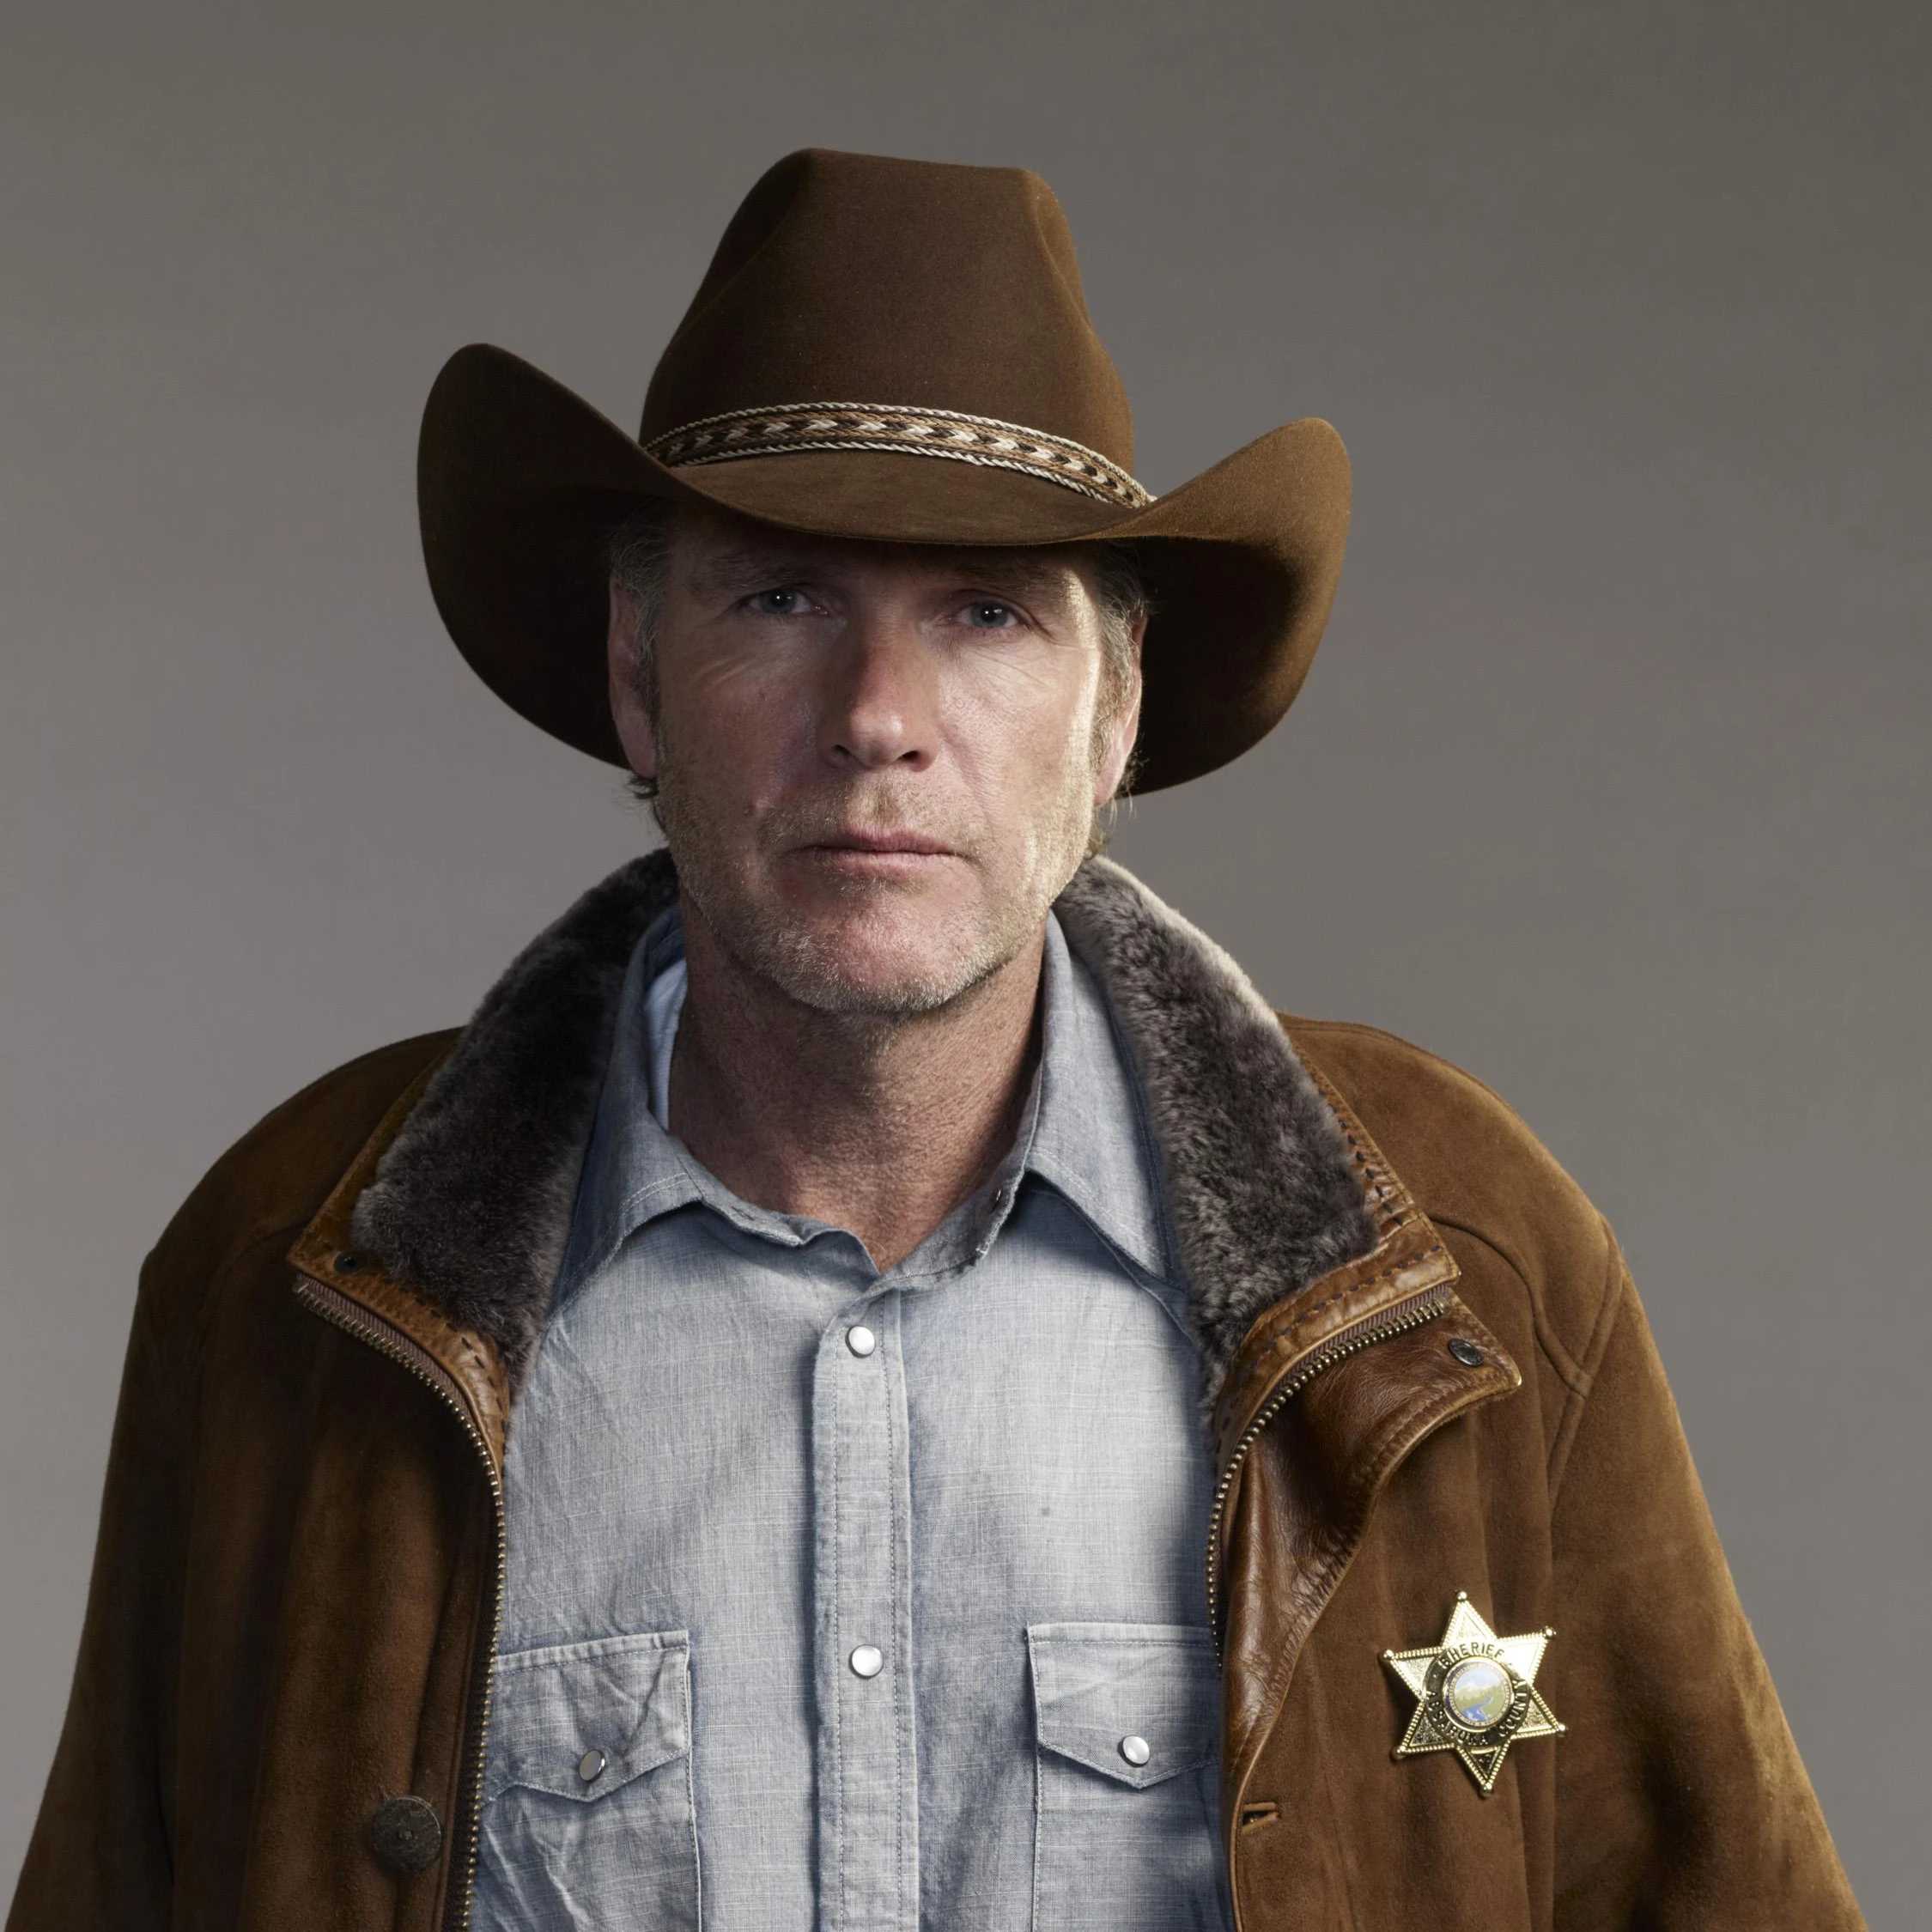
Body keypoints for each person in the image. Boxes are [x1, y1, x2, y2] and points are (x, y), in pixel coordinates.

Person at [8, 149, 1863, 1932]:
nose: (879, 714)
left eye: (986, 613)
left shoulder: (1460, 1263)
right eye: (781, 597)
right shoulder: (303, 1277)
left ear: (1113, 715)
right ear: (639, 677)